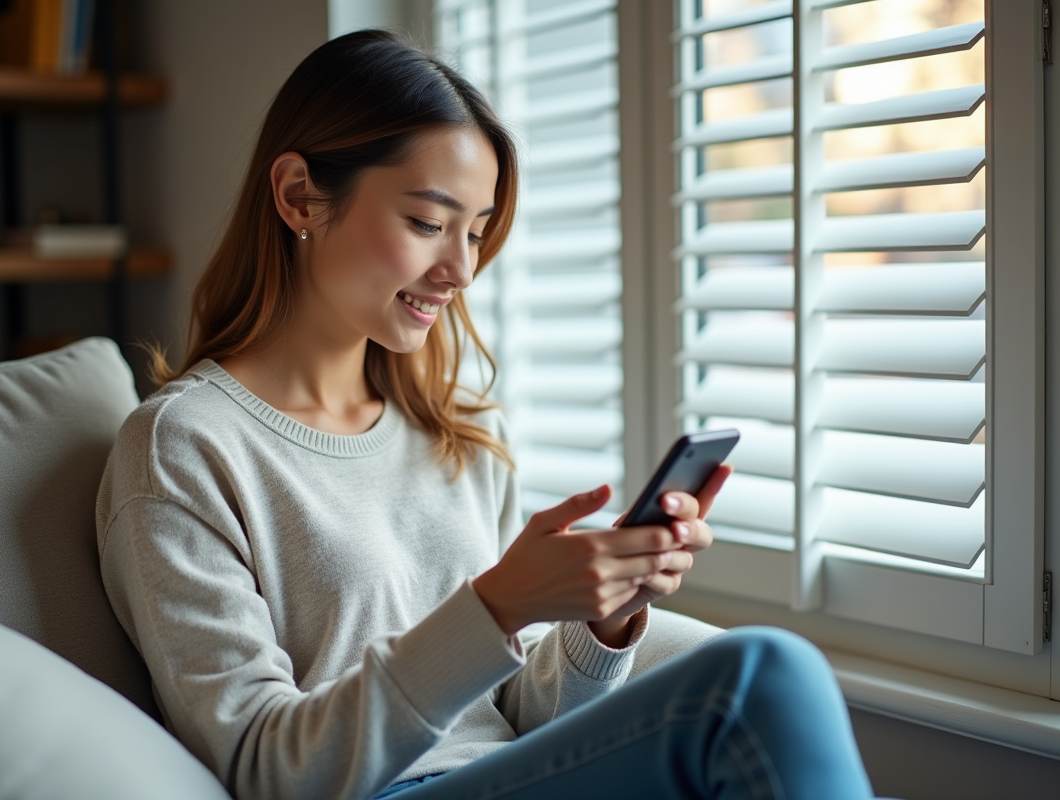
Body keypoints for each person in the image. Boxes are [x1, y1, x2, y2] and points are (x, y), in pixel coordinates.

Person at [95, 29, 874, 800]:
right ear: (299, 194)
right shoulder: (184, 447)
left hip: (506, 775)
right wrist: (497, 603)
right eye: (429, 224)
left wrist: (603, 619)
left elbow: (521, 717)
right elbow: (268, 769)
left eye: (475, 231)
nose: (462, 269)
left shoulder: (453, 436)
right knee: (762, 676)